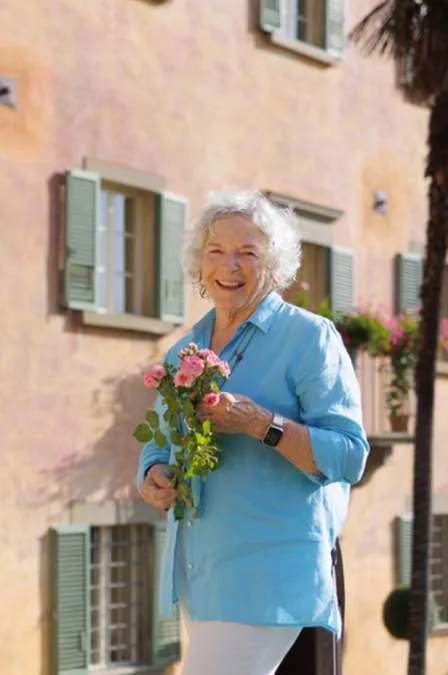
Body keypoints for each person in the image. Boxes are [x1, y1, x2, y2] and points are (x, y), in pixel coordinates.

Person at [135, 188, 368, 675]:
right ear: (200, 263)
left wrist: (262, 424)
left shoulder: (308, 338)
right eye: (216, 251)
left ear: (275, 262)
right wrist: (153, 473)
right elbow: (159, 442)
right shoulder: (184, 352)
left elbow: (349, 456)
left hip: (268, 575)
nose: (230, 266)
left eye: (248, 252)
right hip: (201, 573)